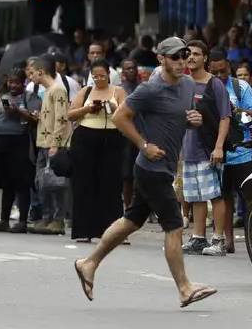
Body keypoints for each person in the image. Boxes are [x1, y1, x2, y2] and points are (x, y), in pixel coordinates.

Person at [74, 37, 218, 308]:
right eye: (175, 57)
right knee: (174, 226)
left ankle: (88, 263)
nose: (182, 62)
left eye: (184, 55)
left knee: (131, 220)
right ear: (161, 59)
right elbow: (119, 117)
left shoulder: (188, 84)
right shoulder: (150, 89)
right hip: (151, 168)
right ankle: (184, 288)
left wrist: (193, 120)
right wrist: (144, 145)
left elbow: (179, 119)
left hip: (165, 167)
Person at [66, 59, 128, 242]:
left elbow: (128, 113)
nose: (99, 79)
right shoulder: (86, 91)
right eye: (95, 77)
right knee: (84, 184)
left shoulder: (118, 91)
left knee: (111, 185)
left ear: (109, 74)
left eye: (102, 76)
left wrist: (113, 108)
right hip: (85, 138)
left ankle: (114, 231)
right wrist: (88, 108)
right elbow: (70, 114)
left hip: (111, 138)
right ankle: (84, 230)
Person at [207, 50, 252, 254]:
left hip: (241, 152)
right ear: (209, 69)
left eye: (223, 71)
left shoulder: (240, 87)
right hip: (216, 154)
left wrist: (236, 111)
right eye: (215, 72)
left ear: (229, 67)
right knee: (223, 198)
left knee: (250, 197)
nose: (220, 75)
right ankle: (227, 241)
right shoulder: (205, 88)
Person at [178, 41, 231, 255]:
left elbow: (225, 117)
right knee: (195, 196)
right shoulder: (182, 83)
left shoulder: (214, 84)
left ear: (205, 58)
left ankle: (218, 240)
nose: (191, 57)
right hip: (188, 149)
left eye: (196, 54)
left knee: (214, 195)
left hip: (208, 149)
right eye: (187, 54)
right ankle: (198, 238)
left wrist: (218, 147)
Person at [0, 68, 37, 233]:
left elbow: (36, 118)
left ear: (23, 83)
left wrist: (18, 111)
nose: (13, 85)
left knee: (22, 182)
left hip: (18, 142)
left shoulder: (30, 97)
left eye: (17, 82)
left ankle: (22, 221)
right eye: (11, 82)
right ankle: (4, 220)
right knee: (7, 183)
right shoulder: (3, 97)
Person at [32, 55, 72, 235]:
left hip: (54, 144)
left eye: (33, 73)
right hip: (43, 142)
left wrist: (56, 144)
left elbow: (62, 118)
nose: (31, 77)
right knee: (43, 182)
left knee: (56, 184)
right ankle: (47, 217)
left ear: (41, 72)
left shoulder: (58, 90)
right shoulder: (48, 91)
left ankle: (58, 219)